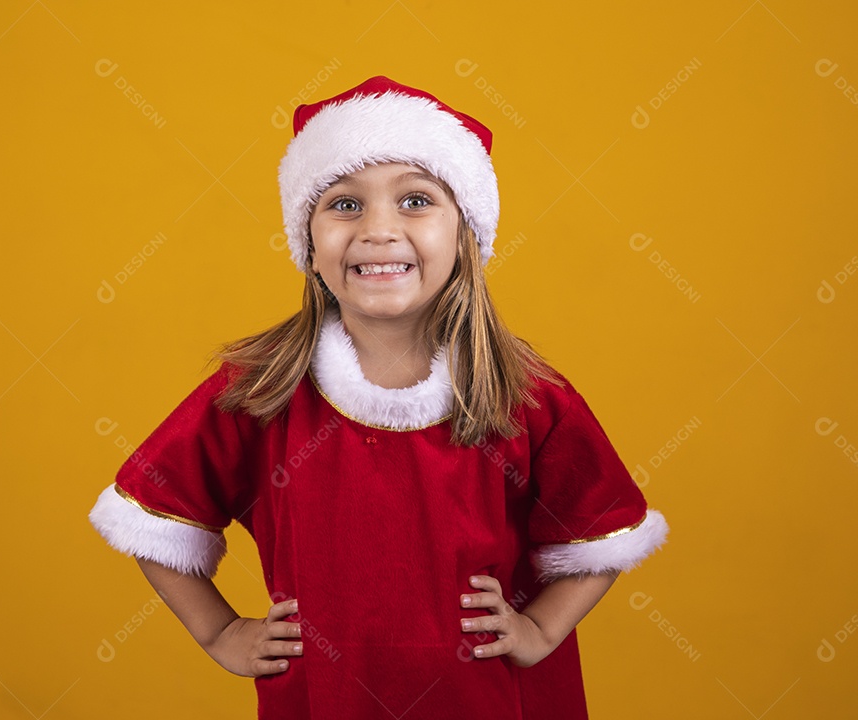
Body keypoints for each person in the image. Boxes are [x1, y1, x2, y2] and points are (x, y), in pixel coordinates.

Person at [88, 75, 669, 719]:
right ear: (307, 239)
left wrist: (542, 629)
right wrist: (219, 631)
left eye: (416, 200)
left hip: (492, 701)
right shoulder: (258, 389)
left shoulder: (525, 394)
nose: (378, 231)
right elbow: (151, 510)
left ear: (466, 235)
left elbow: (602, 530)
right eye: (344, 204)